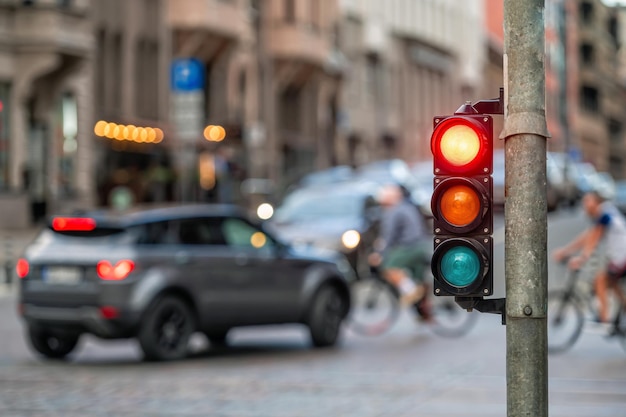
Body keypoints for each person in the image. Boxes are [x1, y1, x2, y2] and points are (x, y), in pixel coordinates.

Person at [552, 190, 626, 327]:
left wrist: (582, 258)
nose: (584, 205)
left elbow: (594, 237)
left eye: (587, 201)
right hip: (620, 257)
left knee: (600, 280)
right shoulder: (605, 212)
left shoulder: (604, 213)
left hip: (622, 257)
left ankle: (605, 321)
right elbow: (586, 237)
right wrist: (565, 251)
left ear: (597, 202)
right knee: (612, 281)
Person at [369, 183, 431, 311]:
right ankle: (425, 311)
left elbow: (388, 236)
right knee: (418, 279)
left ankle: (411, 291)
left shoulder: (393, 211)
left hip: (409, 247)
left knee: (389, 267)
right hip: (423, 246)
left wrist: (378, 253)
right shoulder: (409, 207)